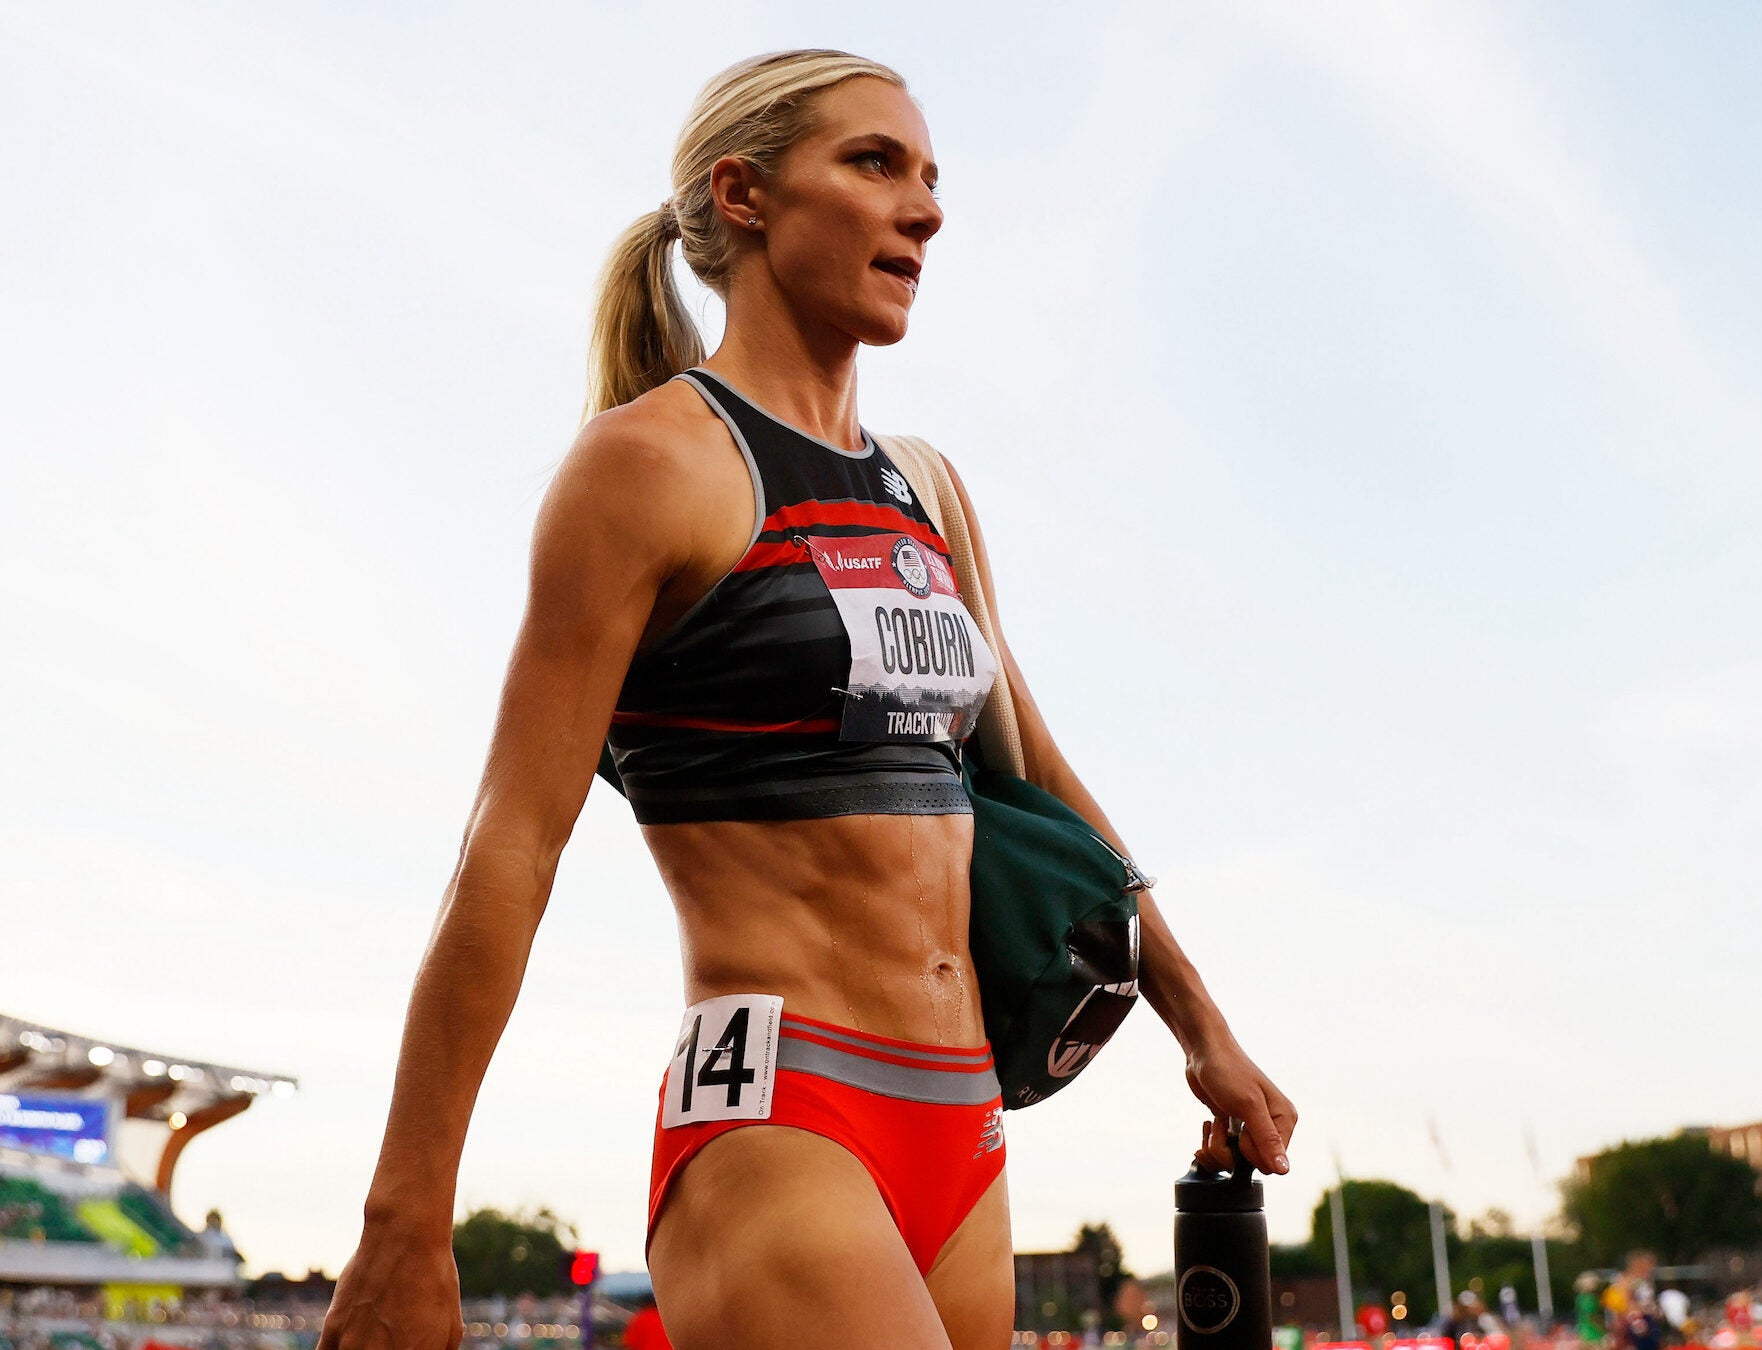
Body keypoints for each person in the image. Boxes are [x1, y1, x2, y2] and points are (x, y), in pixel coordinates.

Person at [315, 48, 1296, 1350]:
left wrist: (1204, 1028)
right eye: (875, 163)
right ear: (746, 195)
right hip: (781, 1117)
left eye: (930, 175)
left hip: (963, 1124)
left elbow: (1042, 780)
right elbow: (510, 846)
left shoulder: (927, 489)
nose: (926, 209)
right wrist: (405, 1213)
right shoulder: (648, 467)